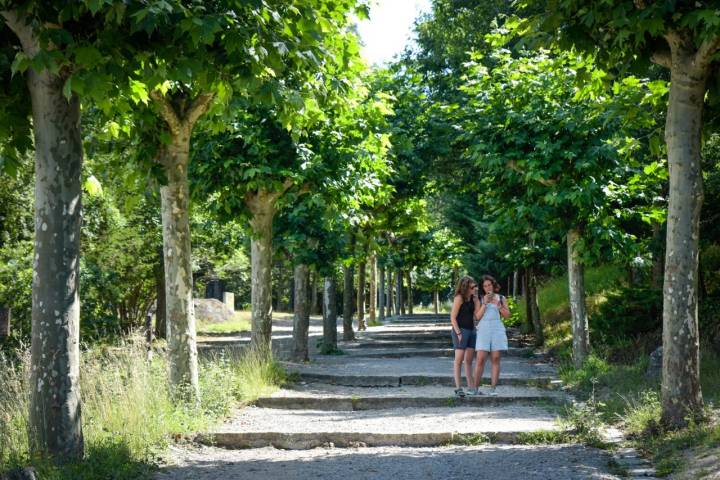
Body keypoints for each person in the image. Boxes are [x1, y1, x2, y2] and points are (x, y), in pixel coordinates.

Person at [473, 275, 510, 396]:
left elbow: (507, 315)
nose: (487, 287)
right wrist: (485, 303)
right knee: (480, 359)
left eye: (489, 285)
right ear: (482, 288)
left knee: (495, 358)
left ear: (493, 285)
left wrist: (498, 305)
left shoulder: (501, 298)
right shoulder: (479, 298)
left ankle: (493, 389)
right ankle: (475, 389)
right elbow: (477, 317)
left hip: (497, 328)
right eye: (485, 286)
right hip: (483, 329)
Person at [450, 276, 481, 397]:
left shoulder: (473, 299)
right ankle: (458, 388)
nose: (475, 288)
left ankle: (471, 387)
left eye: (476, 286)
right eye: (473, 287)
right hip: (461, 330)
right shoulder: (459, 298)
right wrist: (458, 333)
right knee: (458, 360)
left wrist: (477, 300)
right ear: (466, 287)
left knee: (468, 361)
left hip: (471, 331)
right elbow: (452, 317)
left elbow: (477, 316)